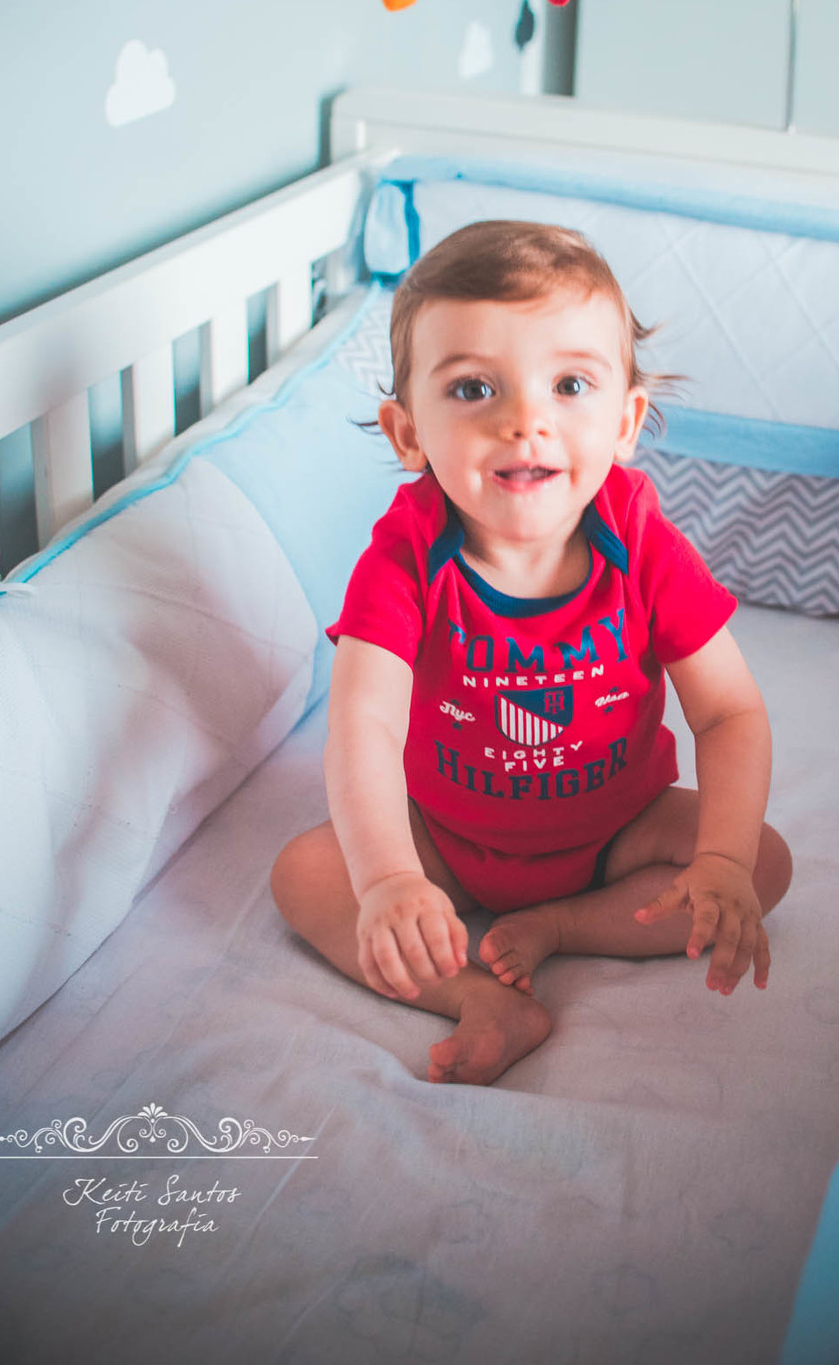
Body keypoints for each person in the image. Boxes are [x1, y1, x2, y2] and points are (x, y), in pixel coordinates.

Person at [270, 220, 792, 1087]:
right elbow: (363, 726)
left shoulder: (641, 546)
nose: (526, 422)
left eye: (570, 384)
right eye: (474, 388)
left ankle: (565, 925)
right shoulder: (405, 559)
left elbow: (730, 712)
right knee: (308, 876)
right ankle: (480, 996)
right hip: (445, 836)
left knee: (762, 861)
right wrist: (392, 877)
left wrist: (722, 863)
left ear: (625, 421)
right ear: (408, 434)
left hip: (617, 833)